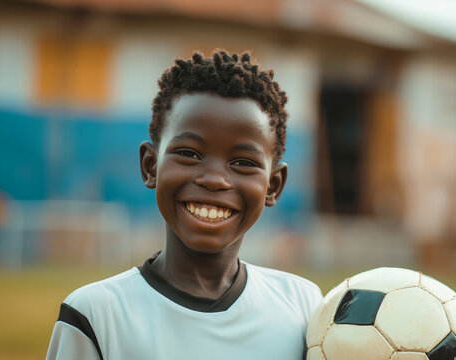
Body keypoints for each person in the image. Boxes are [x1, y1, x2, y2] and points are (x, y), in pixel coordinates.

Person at [45, 50, 323, 360]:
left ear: (273, 186)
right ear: (151, 166)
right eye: (189, 153)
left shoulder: (306, 309)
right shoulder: (94, 316)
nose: (215, 179)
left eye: (243, 162)